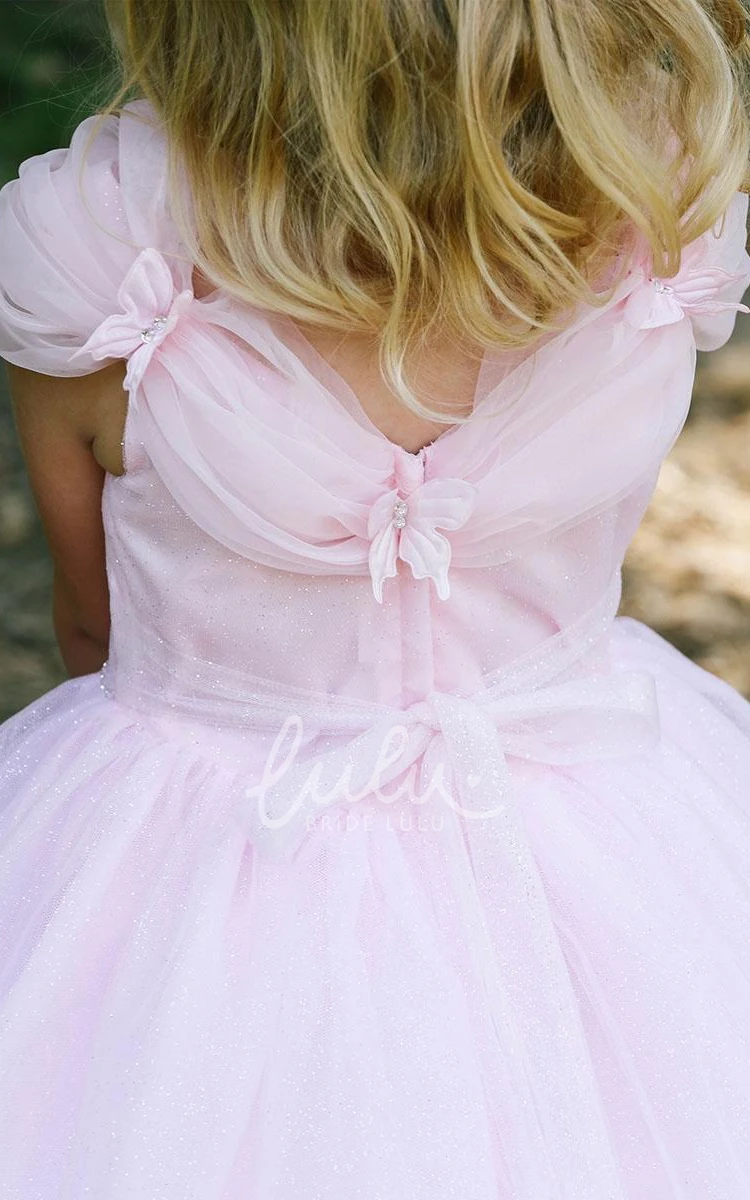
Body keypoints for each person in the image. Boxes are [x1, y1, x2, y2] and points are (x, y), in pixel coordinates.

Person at [1, 0, 750, 1195]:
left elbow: (94, 627)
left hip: (205, 832)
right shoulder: (653, 196)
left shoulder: (103, 246)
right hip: (606, 801)